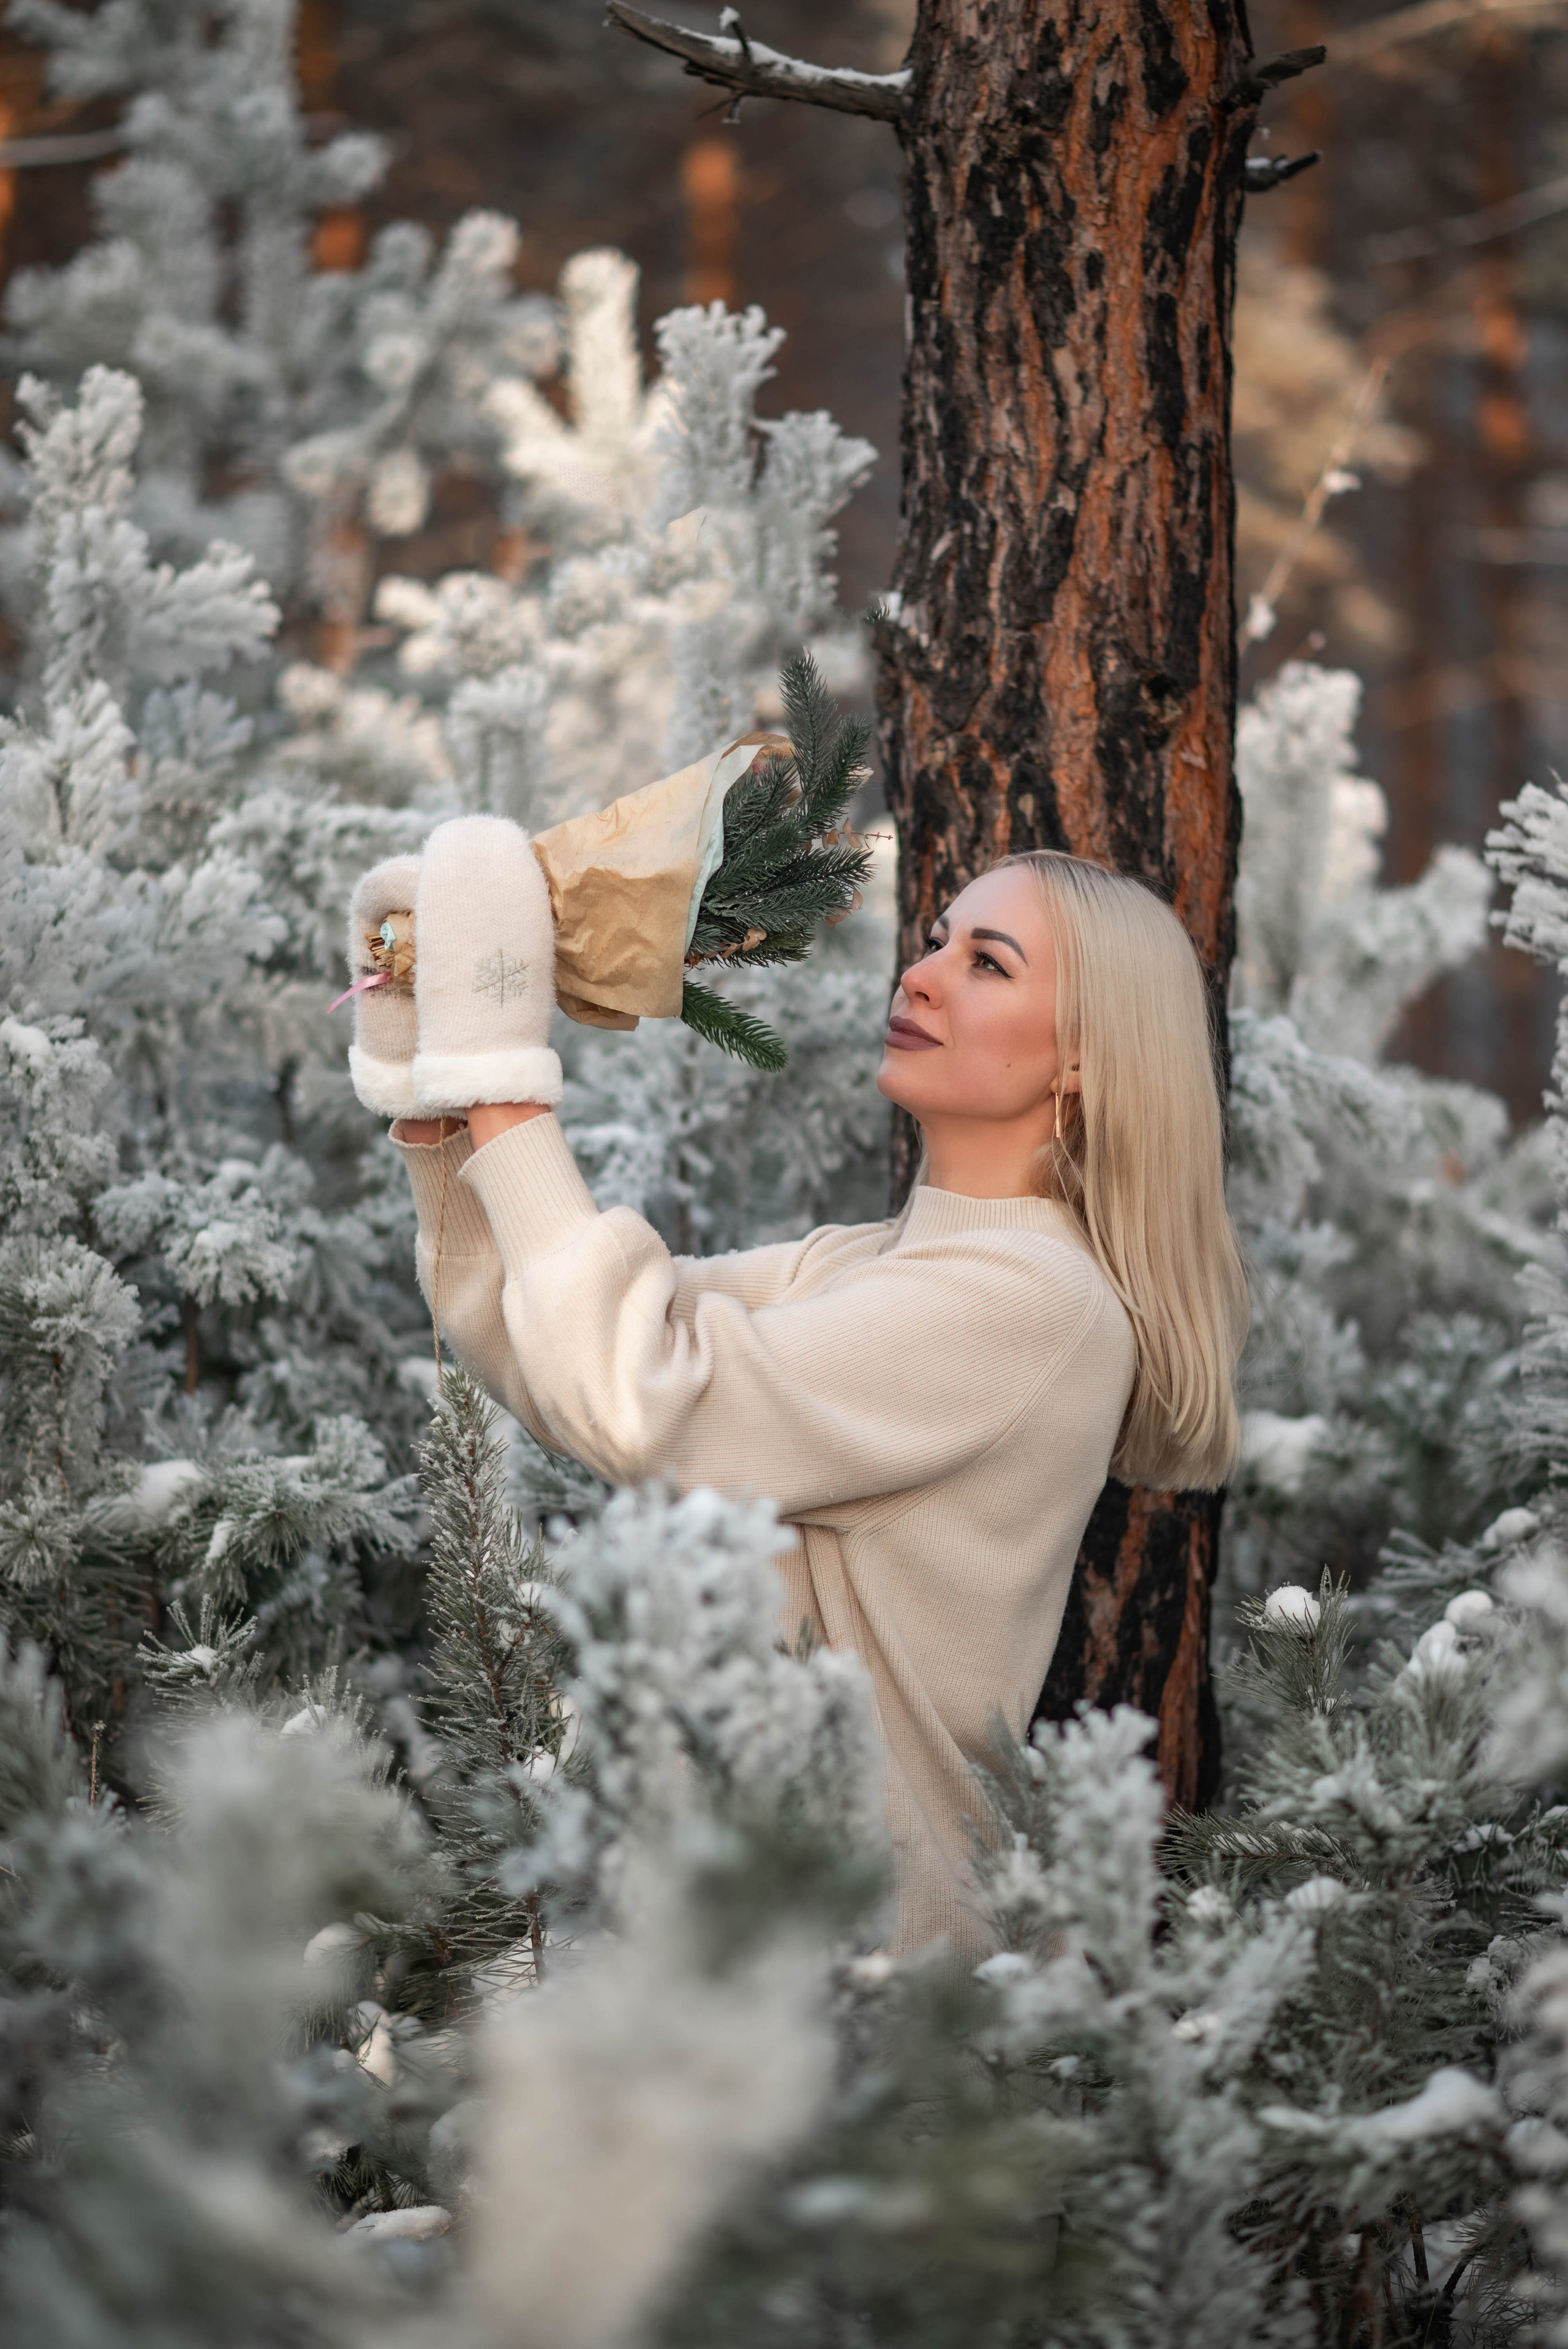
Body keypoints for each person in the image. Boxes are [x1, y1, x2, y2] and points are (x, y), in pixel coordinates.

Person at [350, 819, 1249, 1956]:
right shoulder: (868, 1267)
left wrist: (501, 1082)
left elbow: (637, 1398)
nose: (919, 973)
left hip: (849, 2003)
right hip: (726, 1959)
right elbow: (550, 1348)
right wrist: (431, 1096)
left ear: (1085, 1060)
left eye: (988, 962)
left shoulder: (1032, 1306)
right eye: (936, 940)